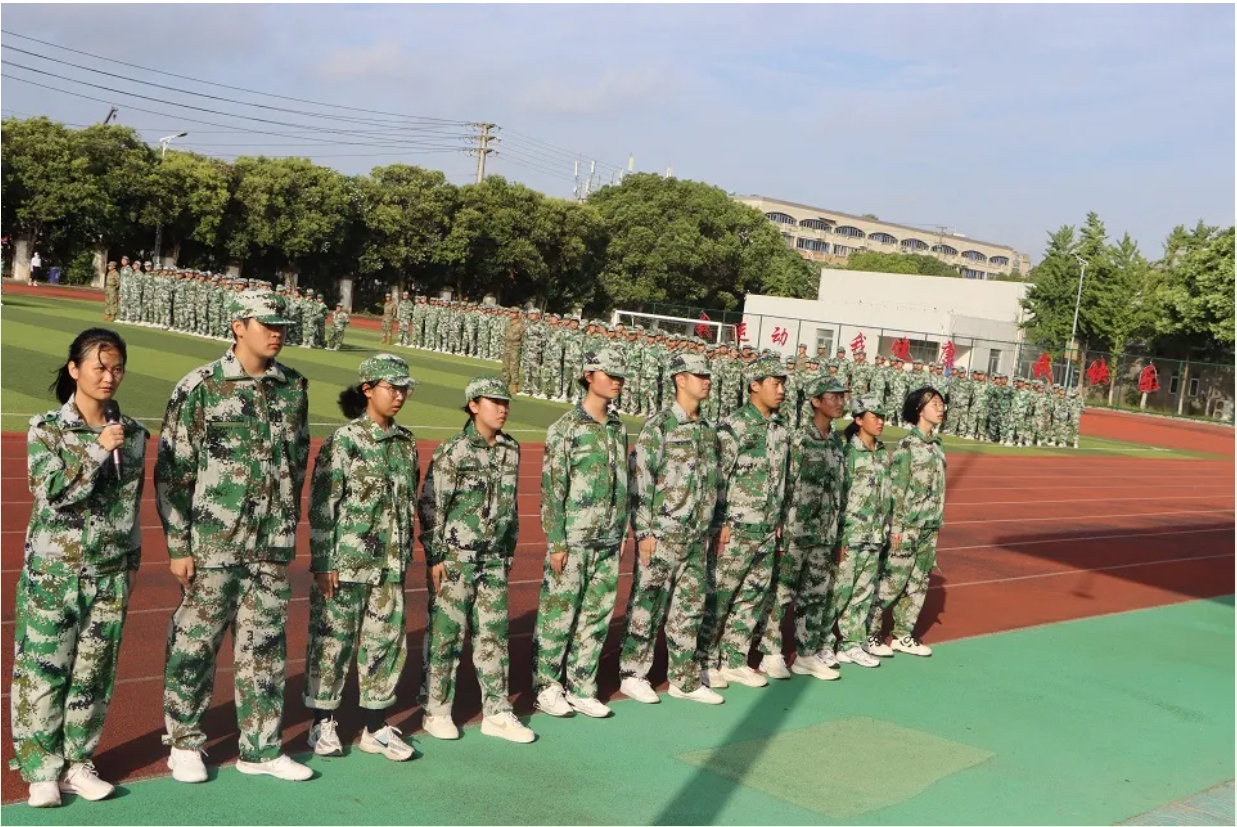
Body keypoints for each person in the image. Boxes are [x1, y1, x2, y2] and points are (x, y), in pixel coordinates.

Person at [155, 291, 313, 783]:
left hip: (269, 545)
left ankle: (260, 748)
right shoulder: (201, 387)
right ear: (238, 326)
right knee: (195, 644)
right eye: (266, 324)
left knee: (265, 648)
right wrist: (179, 545)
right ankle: (184, 742)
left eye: (281, 325)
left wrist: (284, 522)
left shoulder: (293, 388)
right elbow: (173, 471)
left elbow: (297, 461)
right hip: (214, 542)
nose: (276, 332)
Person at [10, 329, 147, 808]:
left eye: (117, 368)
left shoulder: (133, 435)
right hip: (54, 573)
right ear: (74, 370)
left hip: (109, 574)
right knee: (44, 669)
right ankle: (40, 769)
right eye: (99, 367)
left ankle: (78, 763)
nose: (109, 377)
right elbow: (51, 493)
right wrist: (96, 449)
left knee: (94, 673)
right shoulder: (47, 429)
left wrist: (132, 562)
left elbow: (131, 506)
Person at [304, 355, 419, 761]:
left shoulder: (406, 443)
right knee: (332, 643)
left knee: (385, 645)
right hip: (347, 564)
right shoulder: (345, 440)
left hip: (390, 566)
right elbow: (323, 504)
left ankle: (375, 726)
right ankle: (322, 723)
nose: (399, 395)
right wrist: (323, 561)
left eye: (404, 388)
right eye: (392, 387)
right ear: (368, 389)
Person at [417, 377, 534, 744]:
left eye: (505, 402)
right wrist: (436, 555)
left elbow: (511, 506)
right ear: (473, 405)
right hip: (456, 559)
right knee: (446, 636)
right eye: (493, 402)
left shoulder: (511, 449)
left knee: (494, 637)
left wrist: (508, 550)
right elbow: (431, 504)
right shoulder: (453, 451)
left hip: (493, 560)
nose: (502, 408)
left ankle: (497, 712)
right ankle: (436, 710)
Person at [619, 352, 724, 706]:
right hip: (663, 535)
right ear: (680, 379)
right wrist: (644, 532)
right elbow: (640, 481)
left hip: (696, 536)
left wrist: (713, 525)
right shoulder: (660, 426)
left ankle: (684, 678)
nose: (706, 381)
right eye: (699, 375)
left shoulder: (707, 429)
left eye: (707, 375)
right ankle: (633, 673)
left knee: (689, 609)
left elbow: (713, 482)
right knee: (647, 605)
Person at [532, 348, 630, 719]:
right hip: (573, 538)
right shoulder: (566, 428)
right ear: (589, 376)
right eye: (610, 374)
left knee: (596, 616)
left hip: (608, 538)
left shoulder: (618, 427)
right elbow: (552, 489)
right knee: (558, 615)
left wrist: (622, 530)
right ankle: (547, 686)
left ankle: (582, 686)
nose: (617, 381)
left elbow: (622, 482)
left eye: (620, 376)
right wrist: (556, 541)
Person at [699, 356, 790, 690]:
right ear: (754, 385)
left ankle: (734, 658)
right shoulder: (733, 427)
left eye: (783, 385)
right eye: (774, 384)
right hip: (735, 527)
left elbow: (782, 479)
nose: (781, 390)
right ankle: (705, 659)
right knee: (720, 596)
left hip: (766, 528)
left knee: (752, 595)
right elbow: (718, 478)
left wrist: (779, 518)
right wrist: (719, 522)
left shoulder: (780, 429)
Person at [756, 375, 847, 682]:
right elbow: (783, 483)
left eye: (841, 397)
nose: (839, 402)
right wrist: (780, 523)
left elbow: (839, 490)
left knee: (815, 594)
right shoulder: (798, 439)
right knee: (782, 593)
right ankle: (771, 653)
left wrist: (837, 532)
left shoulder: (836, 442)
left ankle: (806, 655)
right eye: (832, 397)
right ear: (815, 401)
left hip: (824, 532)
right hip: (796, 530)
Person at [869, 386, 947, 659]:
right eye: (934, 404)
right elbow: (897, 489)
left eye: (941, 404)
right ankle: (871, 632)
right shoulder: (908, 446)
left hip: (929, 526)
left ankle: (903, 634)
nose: (940, 408)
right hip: (908, 527)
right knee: (892, 580)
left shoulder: (936, 446)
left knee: (918, 582)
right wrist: (897, 527)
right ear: (919, 410)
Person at [826, 394, 893, 669]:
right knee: (839, 593)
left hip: (874, 535)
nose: (880, 421)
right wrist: (838, 538)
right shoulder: (848, 454)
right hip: (850, 536)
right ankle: (823, 643)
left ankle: (851, 644)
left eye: (883, 417)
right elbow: (837, 499)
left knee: (862, 593)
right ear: (858, 419)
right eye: (874, 416)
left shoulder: (882, 453)